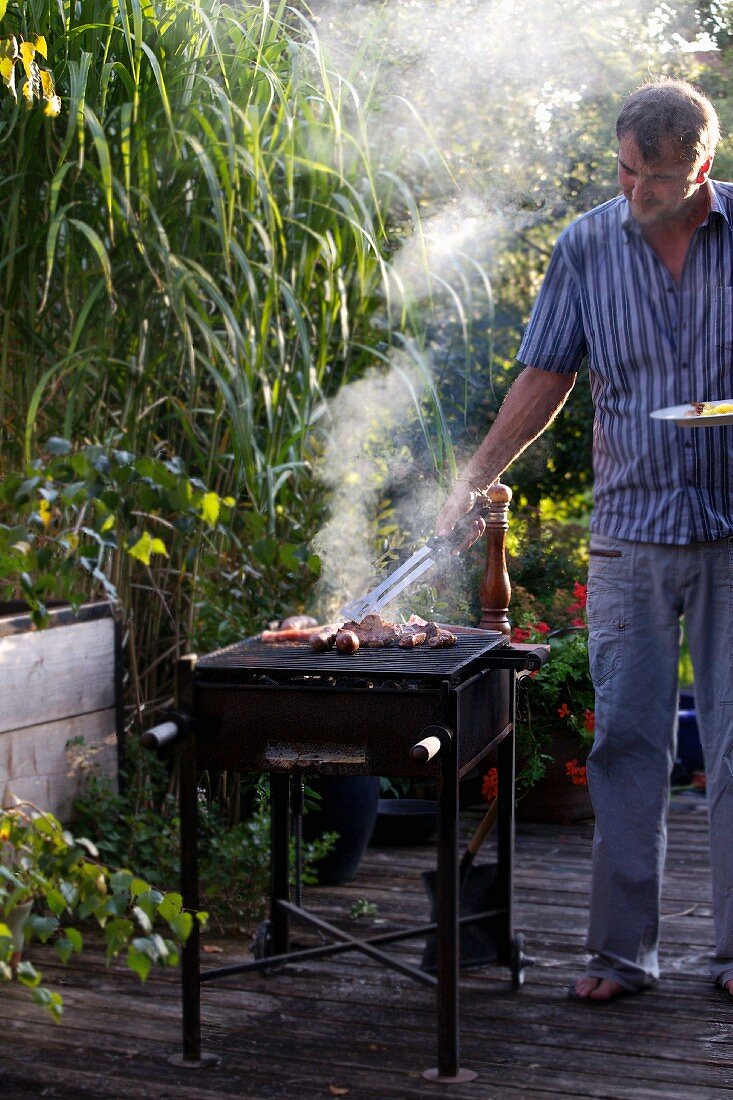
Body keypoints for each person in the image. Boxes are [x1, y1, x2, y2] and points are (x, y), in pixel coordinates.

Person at [436, 78, 733, 1004]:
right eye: (624, 169)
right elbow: (545, 372)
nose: (632, 189)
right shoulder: (584, 244)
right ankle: (618, 956)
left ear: (701, 169)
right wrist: (478, 472)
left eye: (652, 177)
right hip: (628, 539)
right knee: (625, 747)